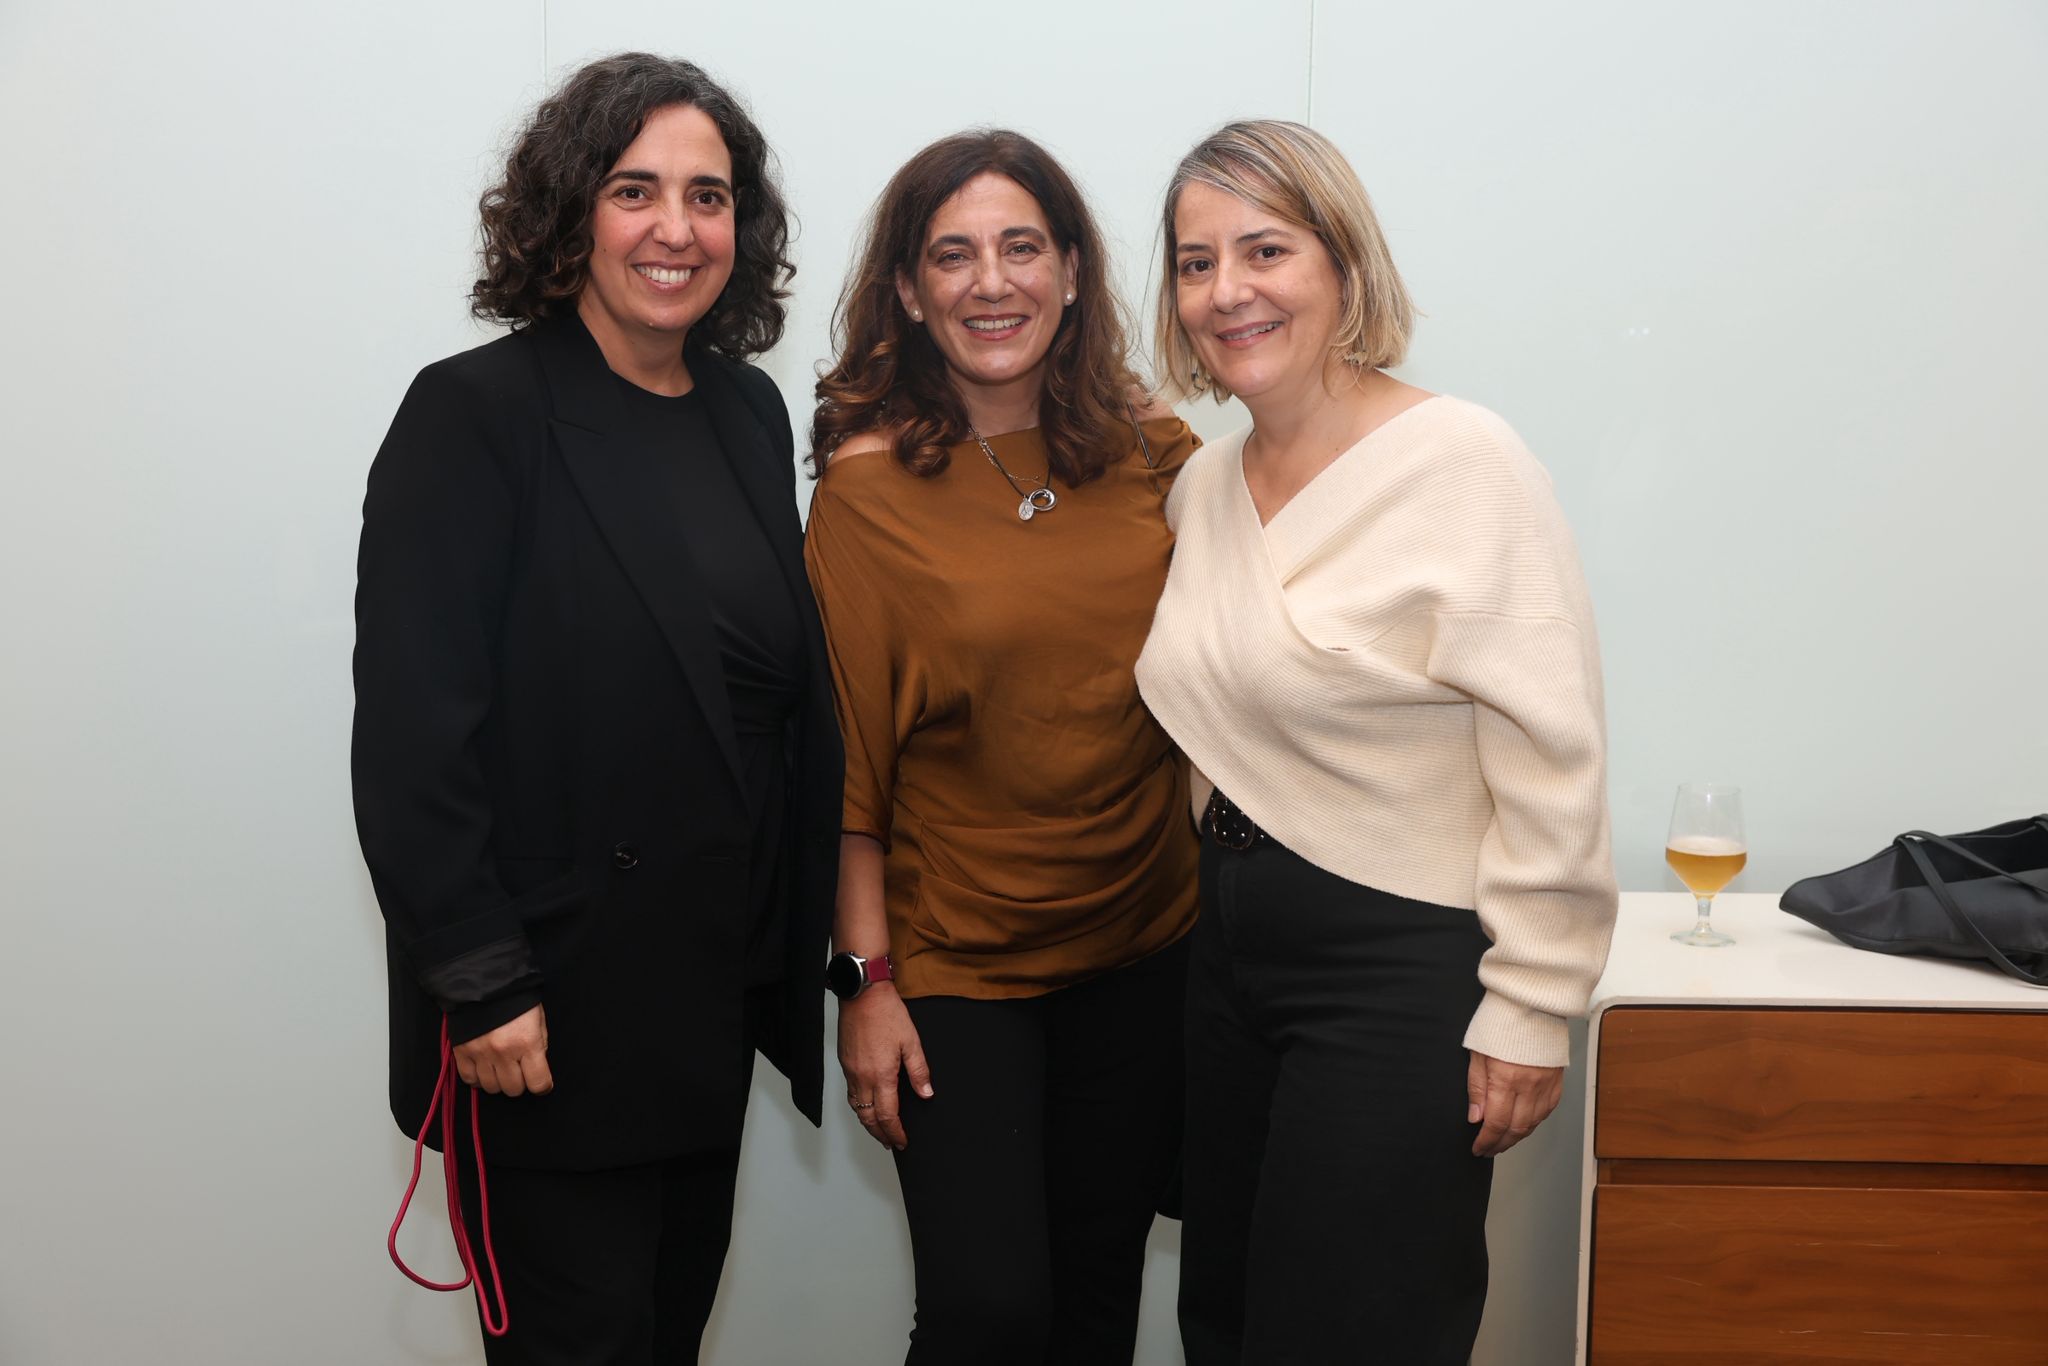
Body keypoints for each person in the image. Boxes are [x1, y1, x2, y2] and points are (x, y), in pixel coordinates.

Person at [351, 53, 841, 1366]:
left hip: (704, 997)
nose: (677, 228)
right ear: (570, 212)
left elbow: (765, 702)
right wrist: (481, 983)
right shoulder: (475, 416)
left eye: (709, 195)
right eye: (636, 190)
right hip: (545, 1021)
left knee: (663, 1337)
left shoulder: (744, 412)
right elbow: (412, 742)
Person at [1134, 120, 1619, 1364]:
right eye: (1195, 263)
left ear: (1341, 264)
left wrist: (1530, 1002)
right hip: (1226, 956)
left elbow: (1549, 750)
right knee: (1225, 1319)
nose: (1227, 290)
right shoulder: (1203, 487)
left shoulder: (1462, 461)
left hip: (1394, 965)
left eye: (1264, 250)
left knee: (1353, 1327)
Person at [802, 130, 1200, 1365]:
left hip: (1144, 952)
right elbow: (845, 774)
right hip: (957, 969)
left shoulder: (1155, 458)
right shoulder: (866, 491)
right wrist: (863, 987)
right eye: (952, 255)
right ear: (909, 293)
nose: (991, 282)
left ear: (1072, 272)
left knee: (1092, 1308)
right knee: (987, 1314)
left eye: (1021, 247)